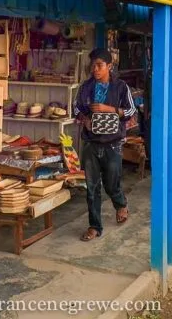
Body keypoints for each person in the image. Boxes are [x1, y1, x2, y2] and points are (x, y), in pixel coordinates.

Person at [74, 48, 136, 241]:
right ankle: (94, 226)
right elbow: (76, 108)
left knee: (111, 183)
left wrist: (108, 109)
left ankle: (121, 204)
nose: (95, 69)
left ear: (109, 66)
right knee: (91, 188)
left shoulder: (120, 87)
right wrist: (85, 120)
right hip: (91, 143)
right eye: (93, 65)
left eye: (99, 65)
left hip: (113, 143)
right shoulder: (86, 87)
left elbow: (131, 111)